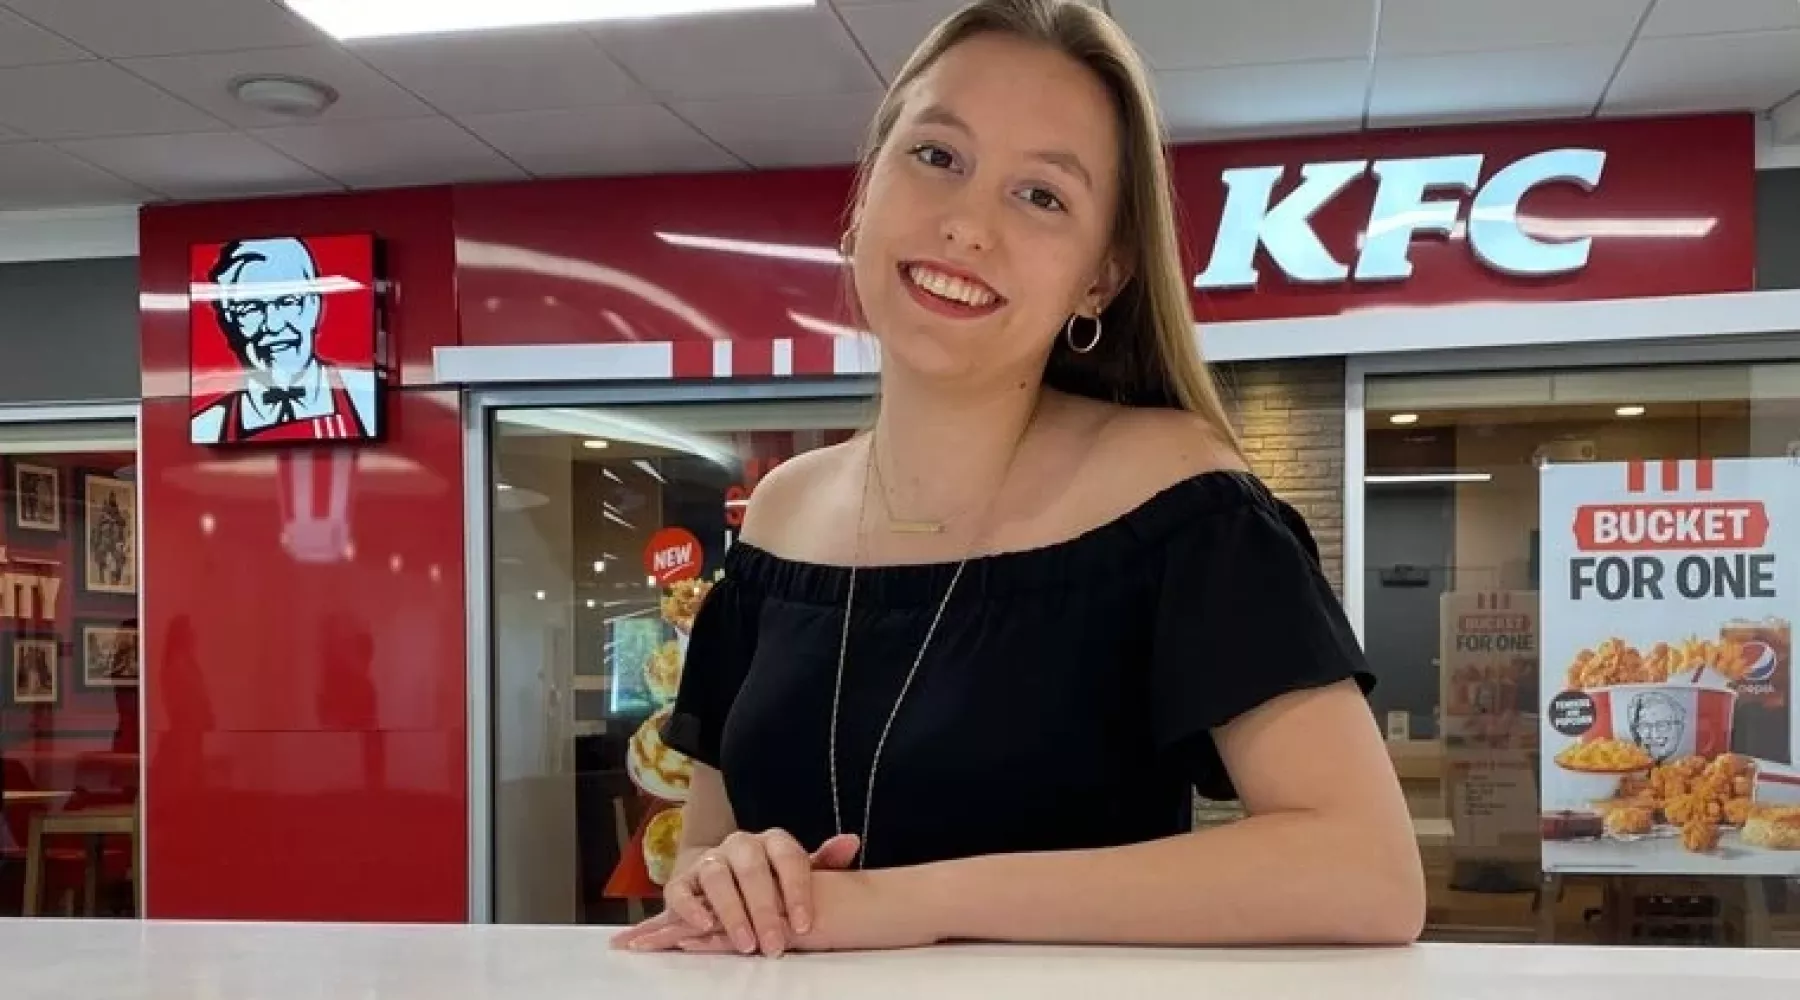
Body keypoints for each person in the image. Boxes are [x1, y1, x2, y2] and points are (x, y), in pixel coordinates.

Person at [614, 0, 1423, 956]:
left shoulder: (1178, 498)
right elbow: (704, 854)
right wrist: (724, 878)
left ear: (1101, 278)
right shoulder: (784, 514)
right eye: (937, 157)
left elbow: (1365, 874)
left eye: (1041, 196)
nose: (965, 225)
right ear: (866, 190)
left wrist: (897, 905)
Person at [190, 237, 378, 444]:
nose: (273, 325)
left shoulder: (366, 398)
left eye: (288, 302)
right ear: (230, 320)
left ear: (314, 306)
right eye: (251, 308)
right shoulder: (206, 428)